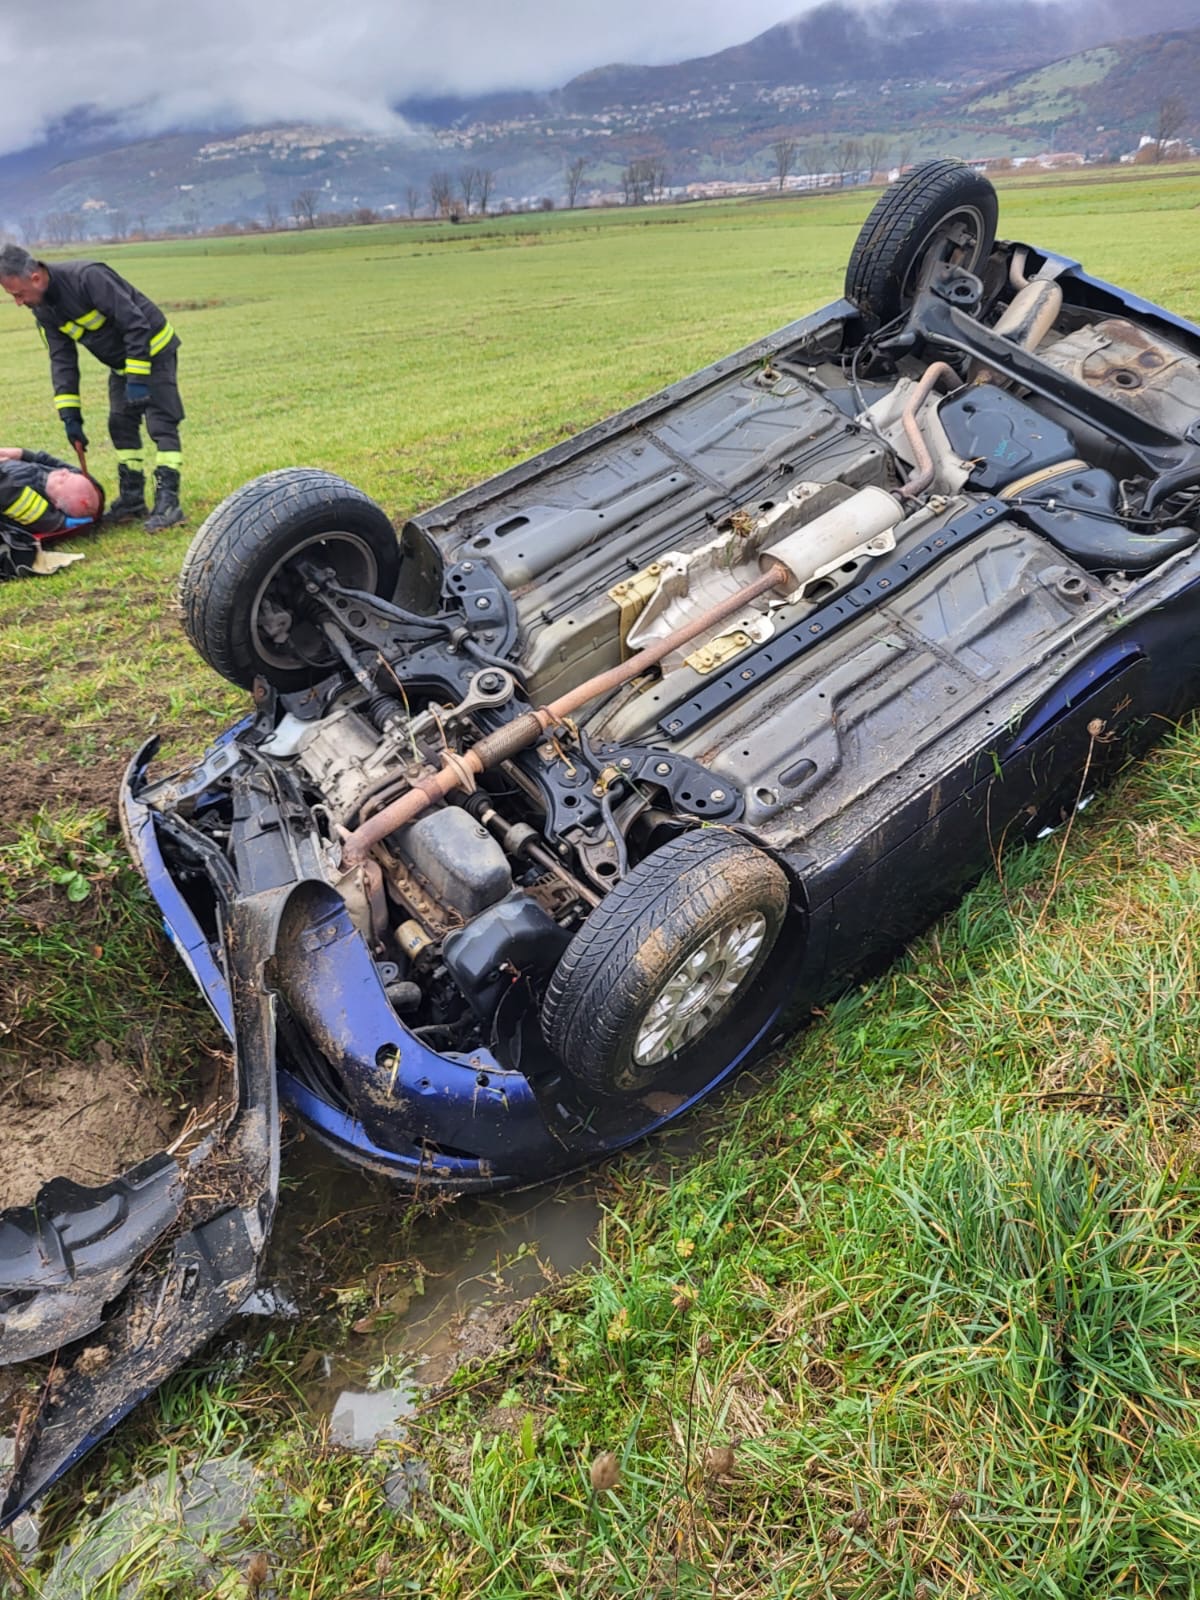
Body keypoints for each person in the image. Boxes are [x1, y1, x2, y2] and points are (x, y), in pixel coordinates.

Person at [0, 243, 185, 533]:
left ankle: (169, 501)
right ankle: (132, 499)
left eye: (18, 294)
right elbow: (62, 360)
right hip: (121, 365)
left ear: (35, 278)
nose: (19, 303)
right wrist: (70, 414)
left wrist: (138, 379)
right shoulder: (44, 311)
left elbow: (136, 324)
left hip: (154, 351)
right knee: (120, 424)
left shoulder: (88, 277)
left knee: (161, 424)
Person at [0, 446, 102, 580]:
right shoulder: (66, 481)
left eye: (62, 481)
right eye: (69, 474)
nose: (63, 472)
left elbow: (9, 495)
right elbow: (75, 474)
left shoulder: (30, 499)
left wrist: (59, 523)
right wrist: (24, 454)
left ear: (56, 503)